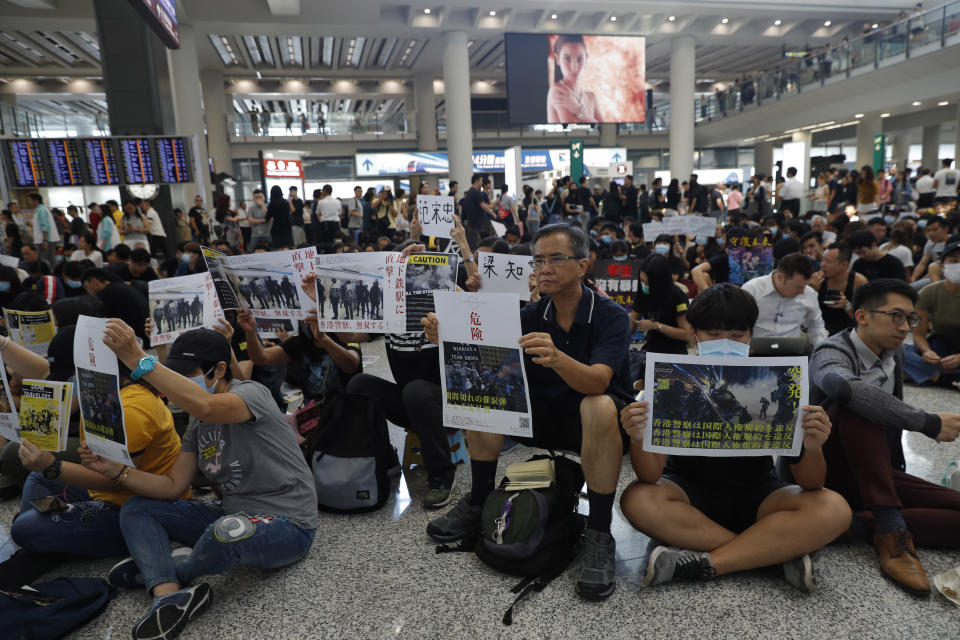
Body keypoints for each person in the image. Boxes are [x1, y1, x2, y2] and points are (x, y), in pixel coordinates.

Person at [423, 223, 633, 601]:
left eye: (557, 258)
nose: (544, 268)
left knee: (598, 405)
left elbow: (599, 382)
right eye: (538, 260)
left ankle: (600, 532)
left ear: (584, 265)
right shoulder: (529, 315)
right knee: (485, 388)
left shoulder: (611, 317)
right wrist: (446, 338)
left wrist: (557, 358)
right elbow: (482, 355)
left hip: (597, 428)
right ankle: (478, 501)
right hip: (541, 417)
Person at [81, 325, 317, 640]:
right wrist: (117, 472)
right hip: (230, 512)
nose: (178, 386)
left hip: (288, 524)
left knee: (224, 534)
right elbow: (172, 486)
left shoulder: (251, 393)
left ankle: (177, 569)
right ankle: (169, 596)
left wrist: (139, 358)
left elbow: (205, 404)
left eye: (186, 374)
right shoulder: (197, 423)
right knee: (138, 508)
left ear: (219, 369)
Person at [619, 283, 850, 591]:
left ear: (750, 337)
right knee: (636, 498)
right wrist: (637, 437)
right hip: (687, 494)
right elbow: (650, 475)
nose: (724, 342)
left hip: (758, 492)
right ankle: (772, 555)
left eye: (737, 335)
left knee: (834, 508)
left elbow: (811, 484)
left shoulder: (777, 382)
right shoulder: (666, 383)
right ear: (694, 334)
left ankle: (711, 562)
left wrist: (814, 447)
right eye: (713, 335)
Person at [810, 279, 960, 595]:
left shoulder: (894, 353)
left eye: (911, 319)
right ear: (862, 316)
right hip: (826, 471)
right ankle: (892, 529)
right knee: (856, 403)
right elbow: (843, 387)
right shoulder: (831, 350)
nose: (905, 327)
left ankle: (857, 525)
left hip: (876, 471)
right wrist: (929, 423)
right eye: (896, 316)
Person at [11, 324, 184, 559]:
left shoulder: (128, 408)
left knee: (24, 527)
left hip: (135, 508)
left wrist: (52, 465)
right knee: (37, 479)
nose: (70, 384)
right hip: (107, 493)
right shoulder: (105, 392)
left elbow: (119, 480)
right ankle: (44, 542)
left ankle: (129, 543)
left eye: (71, 376)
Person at [903, 240, 960, 387]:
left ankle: (926, 374)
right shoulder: (929, 292)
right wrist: (927, 352)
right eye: (953, 261)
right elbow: (918, 335)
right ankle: (945, 379)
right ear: (942, 266)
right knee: (897, 350)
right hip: (940, 344)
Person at [741, 252, 828, 346]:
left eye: (805, 286)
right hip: (755, 352)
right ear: (780, 277)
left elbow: (816, 325)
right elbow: (737, 326)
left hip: (792, 353)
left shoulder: (809, 293)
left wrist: (821, 350)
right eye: (798, 287)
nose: (802, 292)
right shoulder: (752, 290)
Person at [629, 254, 691, 356]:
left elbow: (687, 334)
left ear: (659, 282)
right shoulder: (643, 293)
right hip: (650, 349)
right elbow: (631, 325)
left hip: (674, 352)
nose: (644, 285)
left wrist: (656, 326)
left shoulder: (677, 296)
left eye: (647, 282)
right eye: (642, 281)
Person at [810, 243, 868, 336]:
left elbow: (865, 319)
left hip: (849, 331)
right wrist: (811, 292)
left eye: (828, 261)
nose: (822, 265)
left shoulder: (858, 282)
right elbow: (806, 315)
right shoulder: (816, 279)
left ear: (844, 265)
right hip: (820, 329)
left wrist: (847, 305)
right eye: (822, 260)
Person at [547, 35, 602, 123]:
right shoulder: (558, 92)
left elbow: (606, 131)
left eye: (580, 59)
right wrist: (583, 114)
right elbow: (574, 131)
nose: (574, 67)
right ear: (557, 59)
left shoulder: (591, 97)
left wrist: (579, 111)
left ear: (586, 59)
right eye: (567, 59)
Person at [911, 216, 951, 284]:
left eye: (935, 230)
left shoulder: (954, 241)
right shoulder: (930, 243)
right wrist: (913, 278)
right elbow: (922, 264)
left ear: (946, 229)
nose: (931, 234)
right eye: (929, 230)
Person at [28, 193, 61, 267]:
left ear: (36, 201)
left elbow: (45, 226)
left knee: (44, 261)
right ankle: (53, 275)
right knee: (51, 260)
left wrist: (45, 240)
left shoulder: (41, 210)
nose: (29, 202)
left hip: (45, 240)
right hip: (46, 240)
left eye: (30, 200)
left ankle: (48, 276)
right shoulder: (41, 209)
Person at [265, 185, 293, 250]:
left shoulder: (272, 204)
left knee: (278, 249)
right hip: (287, 228)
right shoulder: (286, 202)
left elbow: (267, 218)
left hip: (276, 229)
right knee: (287, 248)